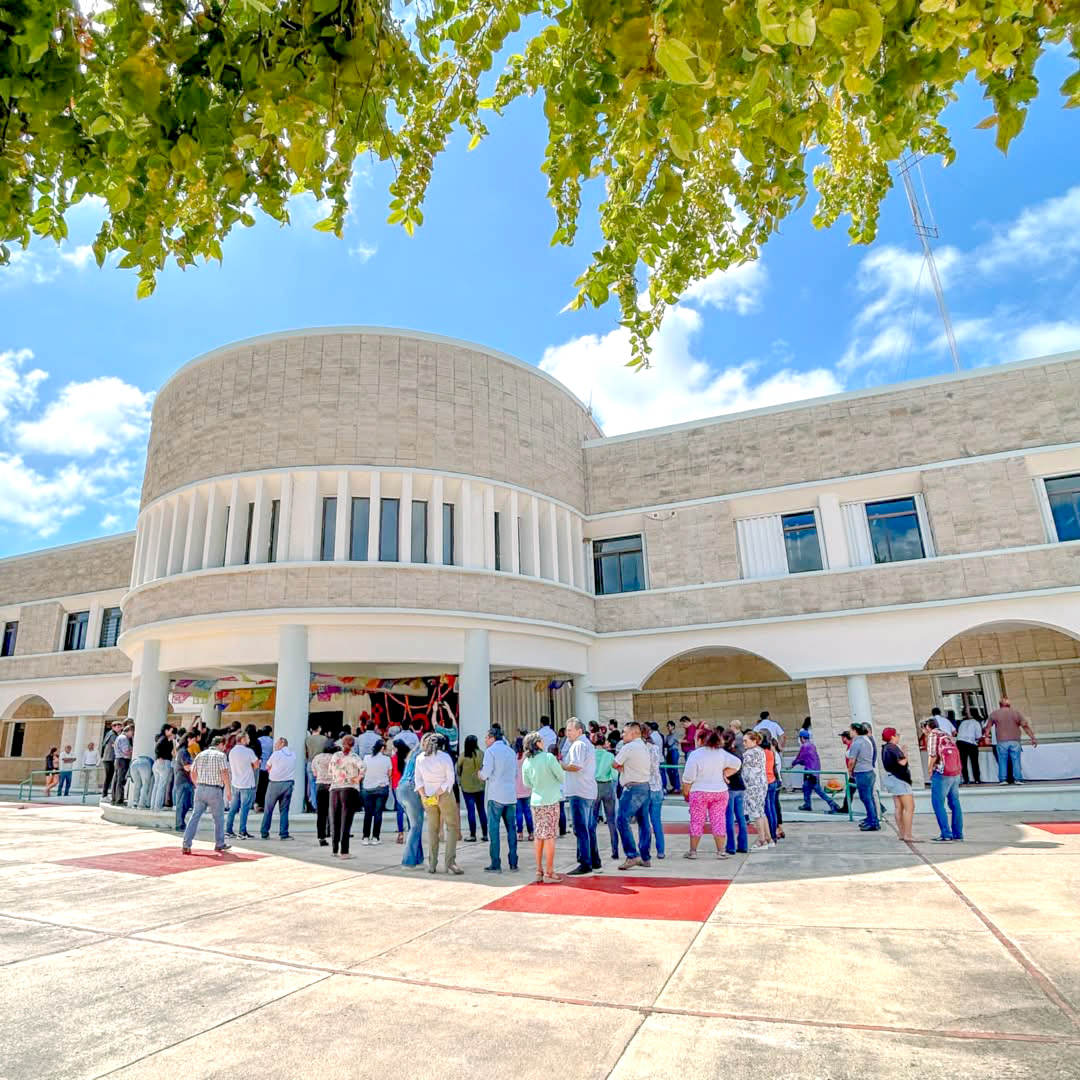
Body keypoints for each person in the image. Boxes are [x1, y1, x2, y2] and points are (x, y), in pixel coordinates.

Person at [681, 729, 742, 859]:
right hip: (720, 790)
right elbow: (737, 763)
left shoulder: (696, 754)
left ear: (700, 740)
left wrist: (686, 792)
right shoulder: (721, 753)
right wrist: (725, 773)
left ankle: (693, 851)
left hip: (699, 791)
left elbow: (688, 777)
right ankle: (721, 851)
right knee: (719, 820)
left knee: (697, 821)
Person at [521, 732, 566, 883]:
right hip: (551, 799)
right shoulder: (548, 758)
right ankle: (549, 871)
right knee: (550, 835)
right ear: (537, 743)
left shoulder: (526, 761)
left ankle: (539, 870)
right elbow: (561, 776)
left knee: (539, 834)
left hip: (536, 801)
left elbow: (527, 783)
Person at [415, 732, 462, 874]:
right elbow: (450, 780)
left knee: (432, 829)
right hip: (444, 794)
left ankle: (432, 864)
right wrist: (438, 793)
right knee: (452, 827)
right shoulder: (444, 757)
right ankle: (450, 862)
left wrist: (424, 796)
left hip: (428, 795)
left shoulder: (420, 758)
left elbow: (418, 780)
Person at [561, 717, 600, 875]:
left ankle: (585, 863)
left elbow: (576, 766)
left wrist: (560, 765)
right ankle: (594, 861)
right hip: (587, 791)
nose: (567, 733)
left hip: (579, 791)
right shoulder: (586, 744)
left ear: (579, 730)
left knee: (581, 829)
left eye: (570, 730)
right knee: (589, 828)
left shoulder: (578, 745)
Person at [181, 736, 232, 854]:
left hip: (200, 788)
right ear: (221, 744)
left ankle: (186, 843)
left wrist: (197, 784)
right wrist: (228, 790)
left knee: (195, 817)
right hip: (214, 789)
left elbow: (192, 771)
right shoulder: (221, 756)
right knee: (218, 818)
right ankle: (219, 843)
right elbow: (224, 772)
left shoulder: (201, 754)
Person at [613, 721, 652, 870]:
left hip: (632, 788)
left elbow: (615, 763)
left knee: (622, 820)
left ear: (634, 733)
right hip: (645, 786)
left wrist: (622, 767)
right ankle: (645, 856)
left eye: (625, 732)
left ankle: (632, 855)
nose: (622, 735)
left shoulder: (628, 747)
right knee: (643, 822)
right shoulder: (644, 746)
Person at [479, 725, 519, 873]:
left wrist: (481, 774)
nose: (485, 740)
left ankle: (495, 862)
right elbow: (515, 772)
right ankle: (513, 861)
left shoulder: (490, 752)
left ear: (491, 738)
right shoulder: (511, 751)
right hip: (510, 794)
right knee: (511, 829)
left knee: (494, 830)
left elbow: (486, 773)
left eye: (486, 737)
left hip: (496, 794)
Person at [923, 719, 964, 842]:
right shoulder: (946, 735)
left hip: (942, 773)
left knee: (938, 804)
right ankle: (958, 833)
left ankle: (946, 833)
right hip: (955, 772)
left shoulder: (933, 735)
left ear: (927, 727)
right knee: (955, 803)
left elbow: (932, 755)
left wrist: (929, 770)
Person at [985, 697, 1037, 785]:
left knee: (1002, 760)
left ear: (1000, 705)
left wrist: (987, 737)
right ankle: (1018, 779)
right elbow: (1025, 726)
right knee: (1016, 760)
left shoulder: (994, 714)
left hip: (1001, 741)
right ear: (1009, 705)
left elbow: (988, 727)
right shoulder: (1016, 713)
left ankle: (1003, 779)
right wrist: (1032, 737)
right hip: (1015, 740)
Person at [329, 735, 363, 858]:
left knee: (335, 819)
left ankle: (334, 849)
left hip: (335, 788)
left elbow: (330, 771)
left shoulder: (335, 756)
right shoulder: (354, 757)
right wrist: (357, 778)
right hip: (349, 788)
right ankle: (344, 851)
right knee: (346, 820)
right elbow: (363, 767)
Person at [792, 730, 841, 813]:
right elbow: (806, 759)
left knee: (818, 790)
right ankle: (807, 804)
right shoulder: (812, 746)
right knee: (806, 787)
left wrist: (793, 764)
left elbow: (800, 758)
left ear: (801, 738)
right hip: (815, 770)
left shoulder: (805, 746)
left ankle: (833, 804)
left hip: (810, 771)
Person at [880, 727, 915, 842]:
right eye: (897, 735)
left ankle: (902, 833)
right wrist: (905, 752)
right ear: (892, 737)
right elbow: (902, 762)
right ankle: (908, 834)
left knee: (898, 807)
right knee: (909, 807)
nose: (898, 736)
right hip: (900, 779)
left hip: (892, 778)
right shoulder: (893, 748)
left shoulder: (885, 748)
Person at [260, 736, 296, 840]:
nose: (275, 745)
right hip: (288, 783)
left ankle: (264, 832)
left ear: (282, 744)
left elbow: (267, 766)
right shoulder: (293, 755)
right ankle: (284, 833)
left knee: (268, 809)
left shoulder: (276, 754)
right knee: (284, 810)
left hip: (274, 784)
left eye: (277, 744)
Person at [225, 731, 260, 839]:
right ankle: (242, 831)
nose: (248, 740)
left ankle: (228, 830)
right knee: (244, 809)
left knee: (233, 808)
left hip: (236, 783)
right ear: (243, 739)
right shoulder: (248, 751)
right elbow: (256, 765)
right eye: (247, 738)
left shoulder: (231, 752)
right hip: (247, 783)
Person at [846, 722, 880, 832]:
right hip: (869, 771)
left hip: (862, 773)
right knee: (868, 797)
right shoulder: (867, 740)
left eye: (851, 730)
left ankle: (873, 821)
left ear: (855, 730)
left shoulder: (856, 743)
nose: (850, 733)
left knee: (866, 798)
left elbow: (852, 761)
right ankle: (872, 818)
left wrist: (850, 771)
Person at [397, 742, 425, 868]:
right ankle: (408, 860)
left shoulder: (413, 756)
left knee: (414, 825)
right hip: (412, 790)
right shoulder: (423, 757)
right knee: (416, 826)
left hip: (401, 789)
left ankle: (418, 857)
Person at [742, 731, 772, 850]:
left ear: (754, 741)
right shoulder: (760, 751)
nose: (744, 743)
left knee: (756, 814)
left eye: (746, 741)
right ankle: (768, 838)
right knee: (761, 812)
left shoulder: (749, 754)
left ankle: (762, 840)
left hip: (753, 786)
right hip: (761, 784)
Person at [456, 735, 489, 844]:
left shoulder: (463, 756)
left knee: (471, 811)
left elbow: (458, 769)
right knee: (481, 810)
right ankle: (485, 834)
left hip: (467, 788)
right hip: (480, 786)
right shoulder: (482, 754)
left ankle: (472, 835)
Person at [640, 732, 666, 863]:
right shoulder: (655, 748)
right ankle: (661, 850)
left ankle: (645, 851)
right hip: (657, 787)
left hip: (645, 787)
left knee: (644, 822)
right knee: (656, 821)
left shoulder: (640, 750)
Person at [722, 729, 749, 855]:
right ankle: (743, 845)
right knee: (741, 817)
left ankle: (731, 846)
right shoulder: (738, 752)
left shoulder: (723, 754)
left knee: (729, 818)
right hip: (739, 785)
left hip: (730, 786)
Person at [361, 737, 392, 844]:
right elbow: (389, 774)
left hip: (367, 788)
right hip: (381, 788)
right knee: (378, 813)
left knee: (368, 813)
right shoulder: (387, 759)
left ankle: (365, 837)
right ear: (382, 748)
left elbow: (363, 771)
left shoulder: (366, 758)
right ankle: (375, 837)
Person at [594, 733, 619, 861]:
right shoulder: (609, 755)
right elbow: (615, 775)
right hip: (607, 785)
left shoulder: (590, 755)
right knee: (611, 819)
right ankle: (615, 850)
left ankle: (593, 850)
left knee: (592, 821)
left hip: (594, 786)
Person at [312, 738, 336, 846]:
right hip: (332, 785)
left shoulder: (317, 758)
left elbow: (315, 773)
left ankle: (321, 836)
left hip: (320, 784)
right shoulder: (335, 758)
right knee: (334, 811)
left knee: (321, 813)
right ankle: (332, 831)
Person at [759, 731, 780, 842]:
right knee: (772, 808)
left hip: (766, 781)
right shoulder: (770, 751)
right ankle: (774, 833)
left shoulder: (761, 752)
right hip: (772, 780)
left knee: (768, 809)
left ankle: (771, 834)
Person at [173, 738, 196, 831]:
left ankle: (181, 823)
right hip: (183, 780)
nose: (194, 742)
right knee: (182, 803)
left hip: (185, 780)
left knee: (186, 803)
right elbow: (187, 767)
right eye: (193, 740)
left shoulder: (183, 752)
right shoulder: (183, 752)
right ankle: (179, 824)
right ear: (188, 739)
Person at [150, 726, 174, 811]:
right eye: (171, 731)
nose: (172, 733)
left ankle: (153, 806)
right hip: (164, 762)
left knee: (156, 785)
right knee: (161, 786)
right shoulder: (164, 739)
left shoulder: (160, 738)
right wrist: (160, 756)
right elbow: (159, 749)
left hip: (157, 763)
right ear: (166, 730)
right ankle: (158, 806)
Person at [956, 710, 983, 784]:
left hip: (960, 742)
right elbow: (978, 736)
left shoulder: (963, 723)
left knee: (963, 762)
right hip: (971, 742)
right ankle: (977, 779)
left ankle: (966, 779)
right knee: (974, 762)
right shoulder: (976, 723)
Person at [515, 740, 535, 840]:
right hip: (527, 789)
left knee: (518, 813)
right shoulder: (528, 758)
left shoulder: (514, 758)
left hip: (516, 790)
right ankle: (531, 833)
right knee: (528, 812)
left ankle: (519, 833)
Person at [111, 723, 134, 805]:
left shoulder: (119, 737)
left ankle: (114, 798)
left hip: (118, 760)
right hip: (123, 760)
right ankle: (119, 799)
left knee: (116, 780)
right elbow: (126, 751)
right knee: (120, 780)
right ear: (129, 731)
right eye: (132, 732)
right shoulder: (124, 738)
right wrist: (133, 751)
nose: (132, 735)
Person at [304, 722, 325, 812]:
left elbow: (306, 752)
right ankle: (320, 804)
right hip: (321, 763)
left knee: (312, 784)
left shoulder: (307, 740)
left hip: (310, 762)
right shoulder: (324, 739)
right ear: (319, 728)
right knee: (321, 784)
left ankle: (313, 805)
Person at [100, 721, 121, 801]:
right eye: (117, 726)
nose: (119, 728)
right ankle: (104, 795)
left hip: (107, 758)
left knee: (109, 777)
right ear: (113, 727)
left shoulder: (109, 734)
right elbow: (115, 744)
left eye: (120, 726)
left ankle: (105, 794)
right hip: (110, 758)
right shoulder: (113, 735)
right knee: (109, 777)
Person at [255, 725, 273, 810]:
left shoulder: (259, 740)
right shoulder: (272, 741)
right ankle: (264, 803)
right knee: (266, 786)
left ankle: (258, 802)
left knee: (259, 785)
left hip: (259, 765)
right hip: (268, 767)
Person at [663, 721, 681, 793]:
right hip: (669, 752)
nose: (668, 728)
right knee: (669, 770)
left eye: (669, 726)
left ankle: (677, 787)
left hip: (674, 751)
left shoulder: (675, 734)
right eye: (667, 726)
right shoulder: (668, 736)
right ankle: (673, 786)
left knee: (675, 770)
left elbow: (669, 743)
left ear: (673, 727)